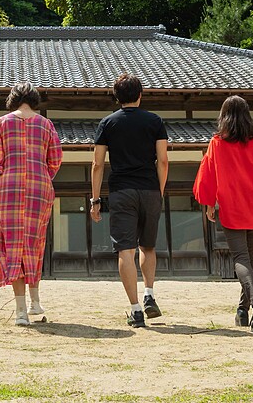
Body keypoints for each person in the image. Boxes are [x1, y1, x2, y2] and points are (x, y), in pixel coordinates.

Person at [193, 95, 253, 334]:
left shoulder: (216, 144)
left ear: (223, 117)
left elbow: (207, 175)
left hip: (231, 209)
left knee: (242, 259)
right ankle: (242, 311)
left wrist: (209, 204)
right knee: (250, 260)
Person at [90, 72, 170, 328]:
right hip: (149, 189)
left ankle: (136, 310)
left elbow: (97, 164)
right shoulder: (155, 121)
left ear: (117, 97)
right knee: (148, 246)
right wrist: (159, 190)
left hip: (122, 191)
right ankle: (149, 294)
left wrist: (95, 199)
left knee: (125, 250)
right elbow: (164, 160)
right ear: (140, 94)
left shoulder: (108, 123)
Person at [0, 82, 64, 325]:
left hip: (8, 190)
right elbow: (55, 160)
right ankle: (35, 302)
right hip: (39, 189)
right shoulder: (46, 124)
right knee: (35, 243)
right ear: (34, 100)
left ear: (13, 100)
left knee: (13, 244)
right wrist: (40, 176)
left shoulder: (2, 123)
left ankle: (20, 311)